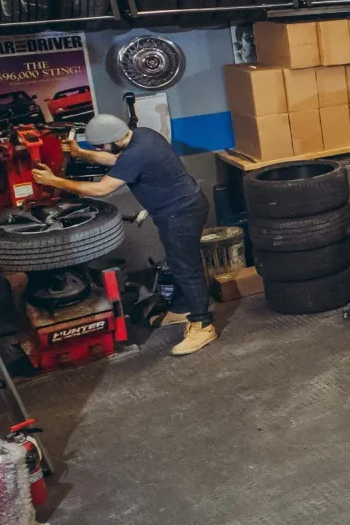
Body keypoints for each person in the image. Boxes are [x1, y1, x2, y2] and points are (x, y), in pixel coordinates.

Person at [32, 115, 218, 356]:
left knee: (186, 266)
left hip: (180, 214)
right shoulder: (142, 136)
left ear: (114, 138)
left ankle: (203, 324)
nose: (98, 150)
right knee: (178, 262)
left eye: (100, 145)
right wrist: (81, 153)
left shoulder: (137, 152)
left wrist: (54, 180)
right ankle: (184, 307)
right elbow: (117, 160)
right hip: (181, 208)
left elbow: (101, 189)